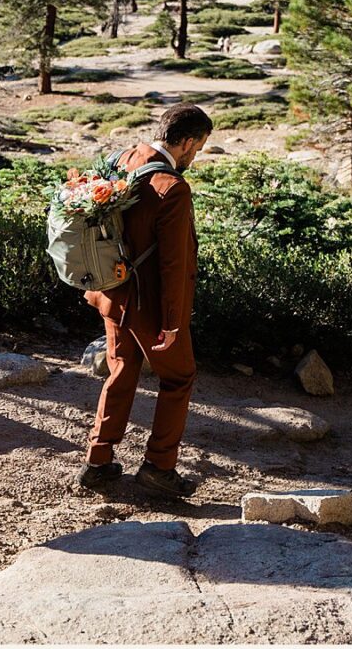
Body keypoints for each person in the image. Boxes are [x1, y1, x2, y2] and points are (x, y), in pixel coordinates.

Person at [77, 103, 212, 498]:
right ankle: (159, 467)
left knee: (122, 370)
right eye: (199, 147)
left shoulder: (125, 159)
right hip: (149, 306)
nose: (197, 155)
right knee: (179, 377)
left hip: (112, 294)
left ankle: (97, 462)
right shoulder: (173, 188)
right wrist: (173, 323)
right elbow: (174, 265)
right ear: (186, 142)